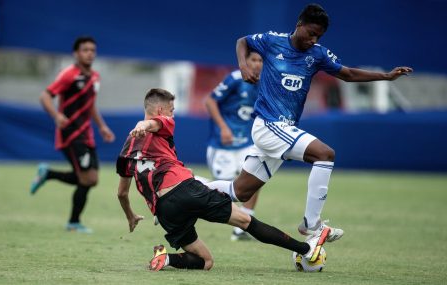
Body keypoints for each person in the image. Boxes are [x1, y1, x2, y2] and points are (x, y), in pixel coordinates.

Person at [206, 3, 413, 241]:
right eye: (311, 33)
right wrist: (243, 66)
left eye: (319, 36)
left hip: (280, 129)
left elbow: (347, 74)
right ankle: (311, 225)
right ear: (299, 25)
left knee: (239, 191)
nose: (314, 40)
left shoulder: (318, 54)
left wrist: (386, 76)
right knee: (325, 154)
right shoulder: (272, 41)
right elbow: (242, 41)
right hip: (269, 125)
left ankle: (185, 190)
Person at [116, 88, 330, 271]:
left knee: (206, 261)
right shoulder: (161, 123)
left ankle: (166, 258)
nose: (172, 115)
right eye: (171, 111)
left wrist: (131, 216)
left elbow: (122, 193)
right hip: (185, 191)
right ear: (161, 111)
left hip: (164, 211)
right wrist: (142, 125)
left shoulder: (126, 151)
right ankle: (306, 250)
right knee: (246, 221)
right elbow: (153, 124)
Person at [30, 36, 115, 233]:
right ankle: (73, 223)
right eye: (85, 50)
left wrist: (102, 126)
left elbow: (90, 103)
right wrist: (57, 115)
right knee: (87, 179)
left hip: (87, 134)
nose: (89, 53)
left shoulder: (94, 77)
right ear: (76, 53)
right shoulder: (68, 74)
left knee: (91, 179)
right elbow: (45, 96)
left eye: (92, 50)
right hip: (71, 134)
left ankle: (48, 174)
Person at [204, 51, 263, 241]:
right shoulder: (235, 79)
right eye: (253, 60)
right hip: (223, 145)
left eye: (261, 60)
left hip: (246, 142)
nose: (256, 64)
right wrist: (223, 128)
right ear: (245, 61)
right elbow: (210, 100)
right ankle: (189, 192)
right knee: (223, 194)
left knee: (255, 179)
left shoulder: (267, 83)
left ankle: (242, 228)